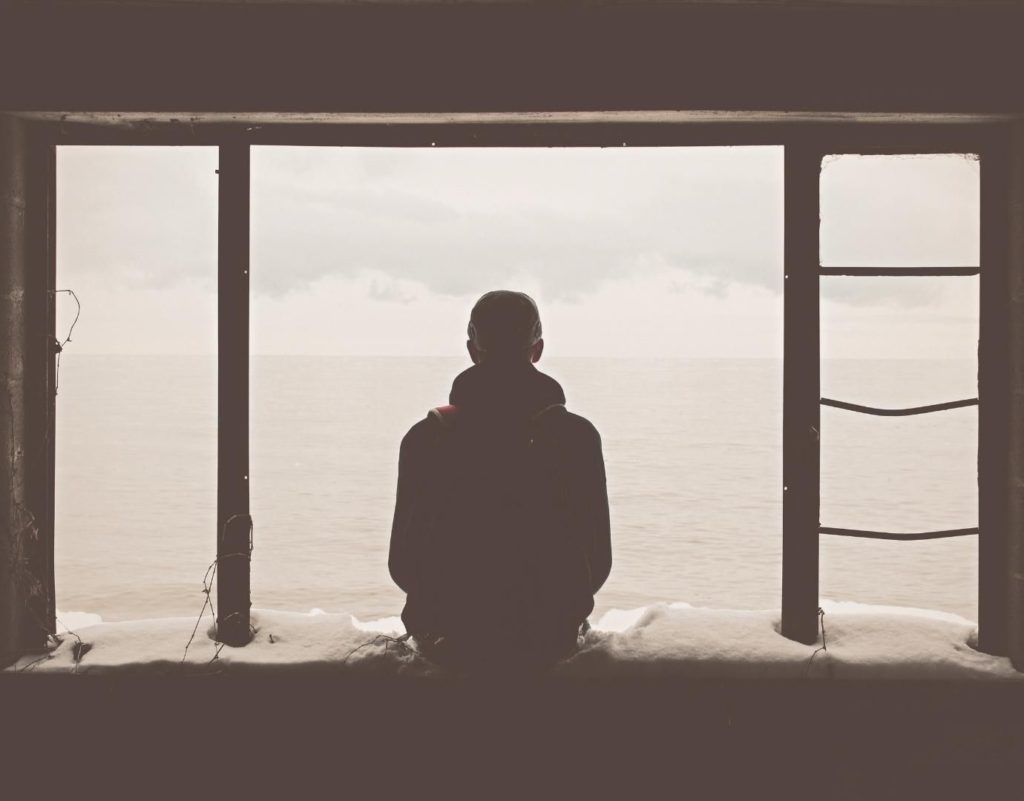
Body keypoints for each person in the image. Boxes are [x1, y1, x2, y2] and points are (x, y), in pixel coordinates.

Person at [388, 290, 612, 674]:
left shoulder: (427, 438)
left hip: (448, 638)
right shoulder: (577, 437)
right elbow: (598, 563)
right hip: (547, 638)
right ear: (537, 349)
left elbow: (402, 565)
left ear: (473, 349)